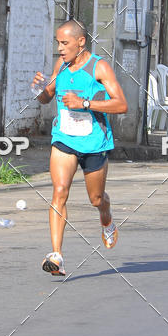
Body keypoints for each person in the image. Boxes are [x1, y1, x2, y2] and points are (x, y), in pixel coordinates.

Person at [32, 19, 128, 275]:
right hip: (64, 138)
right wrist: (39, 89)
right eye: (58, 43)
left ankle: (106, 219)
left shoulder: (99, 67)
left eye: (65, 43)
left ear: (81, 42)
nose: (60, 49)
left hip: (94, 142)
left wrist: (84, 103)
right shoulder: (61, 65)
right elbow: (46, 97)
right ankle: (57, 255)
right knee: (59, 191)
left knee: (96, 198)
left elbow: (121, 104)